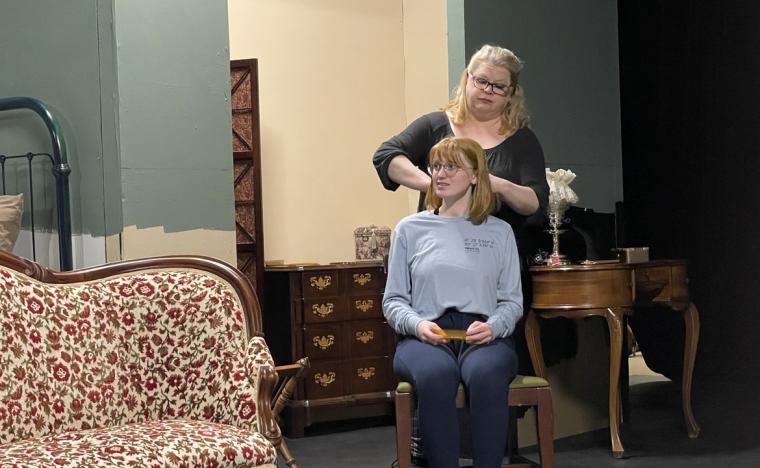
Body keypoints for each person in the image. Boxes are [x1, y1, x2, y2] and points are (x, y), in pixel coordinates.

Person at [383, 136, 522, 468]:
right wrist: (417, 325)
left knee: (487, 375)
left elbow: (512, 301)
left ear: (475, 175)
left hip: (485, 335)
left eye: (451, 166)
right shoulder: (410, 229)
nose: (440, 174)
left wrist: (493, 327)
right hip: (425, 335)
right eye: (436, 166)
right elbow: (393, 301)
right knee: (436, 375)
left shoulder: (499, 232)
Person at [372, 44, 549, 256]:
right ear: (467, 79)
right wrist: (434, 185)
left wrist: (496, 185)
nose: (487, 90)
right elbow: (386, 156)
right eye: (481, 81)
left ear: (511, 93)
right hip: (437, 254)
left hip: (497, 258)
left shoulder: (522, 140)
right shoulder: (434, 126)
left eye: (498, 86)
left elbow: (535, 204)